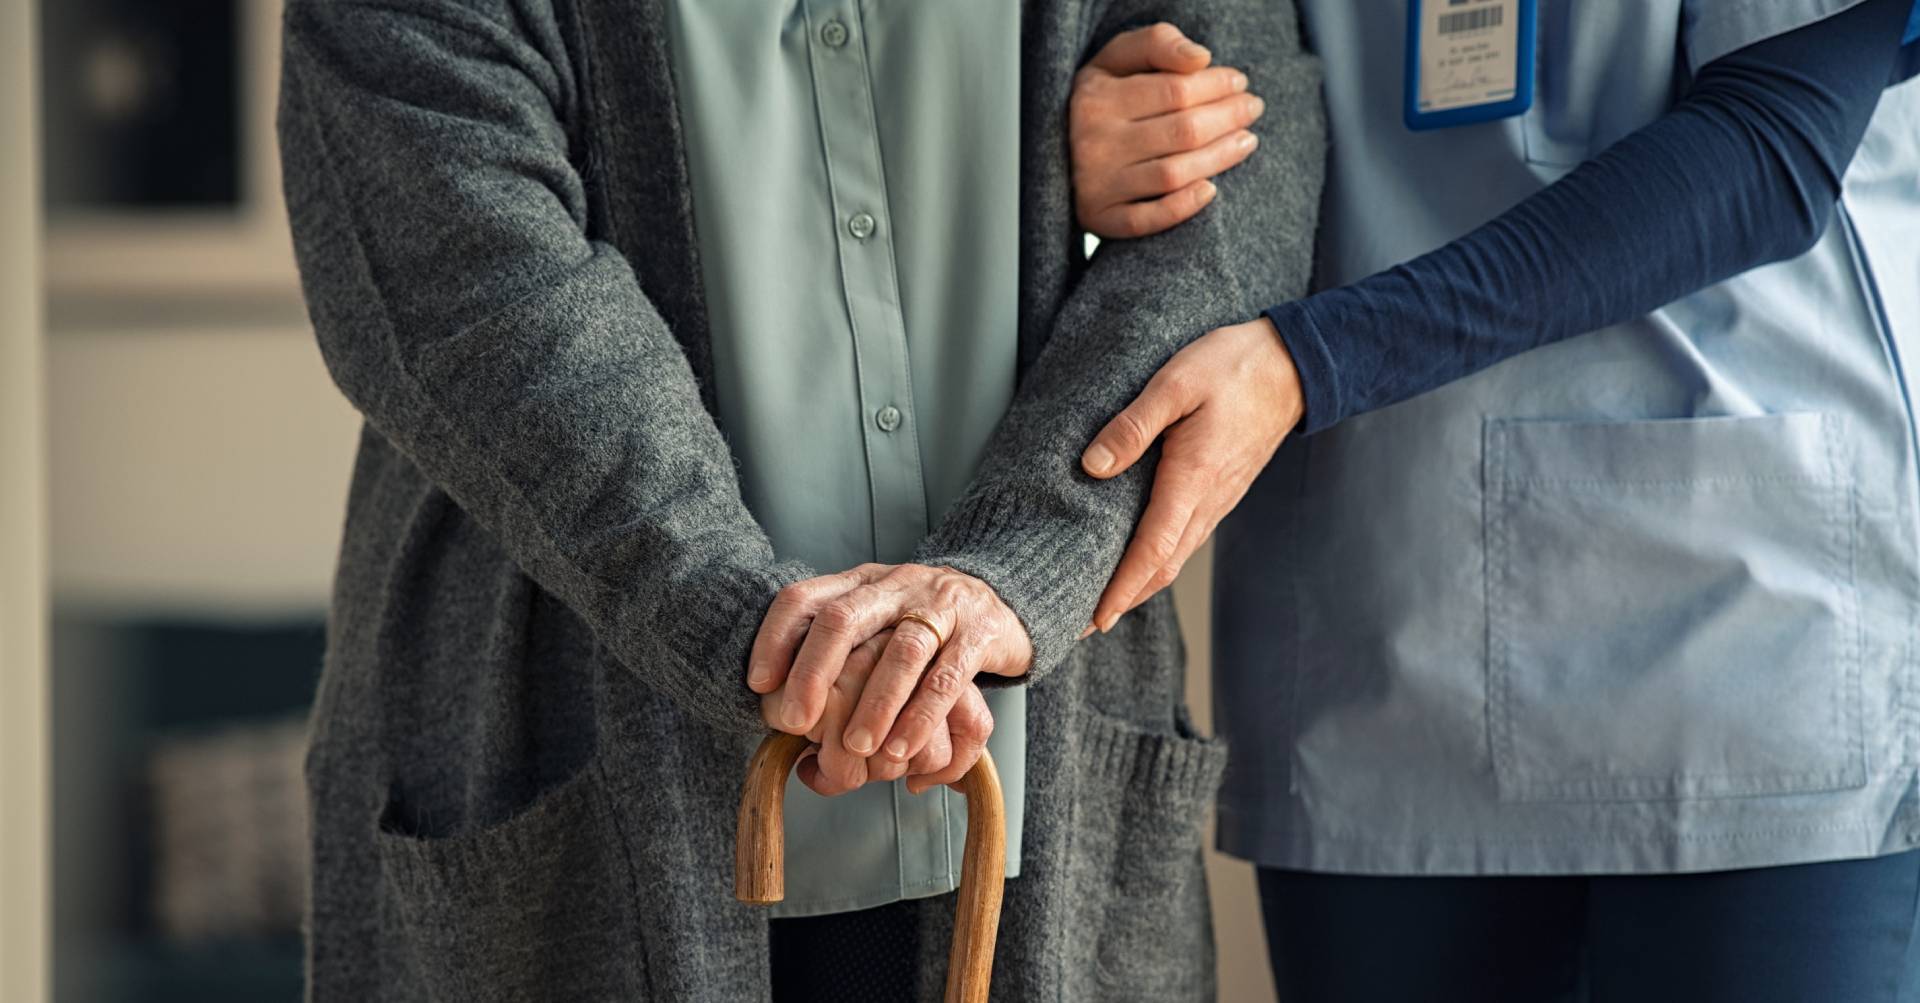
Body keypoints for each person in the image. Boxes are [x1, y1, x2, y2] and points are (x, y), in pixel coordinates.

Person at [277, 0, 1320, 998]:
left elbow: (1238, 187)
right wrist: (779, 637)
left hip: (1036, 779)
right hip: (581, 770)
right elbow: (471, 284)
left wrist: (1014, 573)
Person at [1066, 0, 1920, 999]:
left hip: (1743, 648)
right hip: (1376, 641)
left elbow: (1775, 144)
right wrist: (1083, 143)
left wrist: (1316, 361)